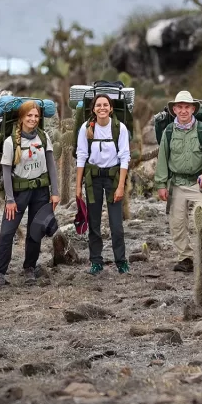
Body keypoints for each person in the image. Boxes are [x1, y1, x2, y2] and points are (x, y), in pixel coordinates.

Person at [156, 91, 202, 272]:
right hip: (177, 183)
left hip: (199, 183)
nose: (183, 111)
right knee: (177, 222)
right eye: (179, 107)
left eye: (186, 107)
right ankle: (185, 258)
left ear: (192, 109)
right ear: (174, 110)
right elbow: (162, 159)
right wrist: (161, 184)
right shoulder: (168, 131)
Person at [0, 101, 61, 289]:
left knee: (35, 231)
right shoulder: (11, 141)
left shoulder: (44, 137)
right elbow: (6, 171)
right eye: (29, 115)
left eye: (36, 116)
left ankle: (29, 267)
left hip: (40, 192)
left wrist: (55, 192)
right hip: (18, 193)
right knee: (7, 232)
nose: (33, 119)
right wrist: (10, 199)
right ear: (21, 118)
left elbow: (51, 166)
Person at [75, 94, 131, 275]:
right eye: (98, 105)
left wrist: (121, 186)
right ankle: (96, 261)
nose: (102, 108)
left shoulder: (119, 128)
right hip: (93, 179)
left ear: (111, 108)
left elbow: (124, 157)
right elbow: (81, 156)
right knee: (94, 222)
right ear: (93, 109)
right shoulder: (86, 128)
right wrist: (77, 187)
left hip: (113, 178)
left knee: (116, 223)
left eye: (105, 105)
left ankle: (121, 261)